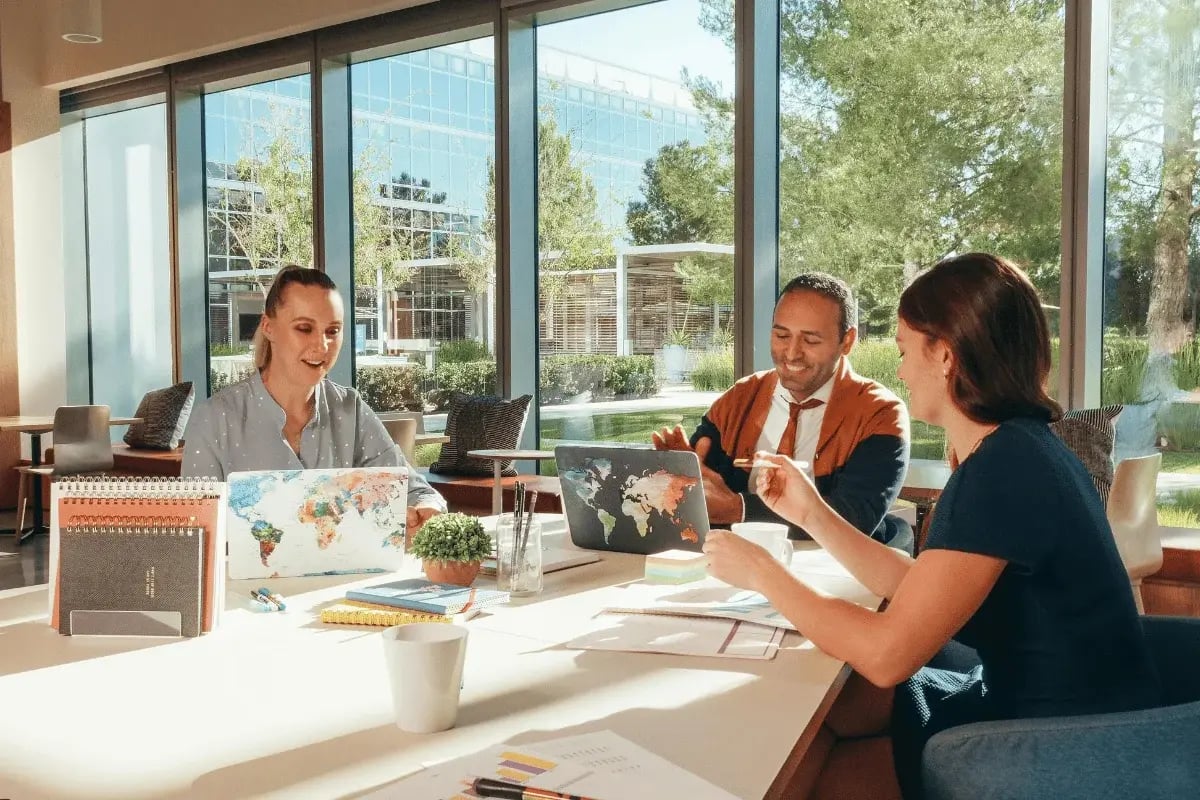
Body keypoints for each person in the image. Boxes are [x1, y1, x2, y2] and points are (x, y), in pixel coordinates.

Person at [703, 253, 1162, 798]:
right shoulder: (1023, 446)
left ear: (944, 355)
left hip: (1056, 745)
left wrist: (764, 575)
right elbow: (922, 586)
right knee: (838, 715)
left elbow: (886, 656)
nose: (899, 371)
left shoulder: (1003, 471)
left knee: (812, 762)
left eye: (902, 350)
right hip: (1060, 710)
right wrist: (809, 513)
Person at [653, 272, 912, 551]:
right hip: (735, 567)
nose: (791, 353)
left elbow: (853, 518)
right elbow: (704, 495)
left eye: (810, 341)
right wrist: (685, 478)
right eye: (781, 335)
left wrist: (738, 509)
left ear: (847, 341)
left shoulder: (880, 414)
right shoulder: (739, 399)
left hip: (837, 575)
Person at [183, 265, 446, 533]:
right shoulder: (214, 420)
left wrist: (427, 510)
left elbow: (414, 491)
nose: (322, 346)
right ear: (268, 327)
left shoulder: (350, 410)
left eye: (332, 331)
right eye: (304, 328)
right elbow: (195, 540)